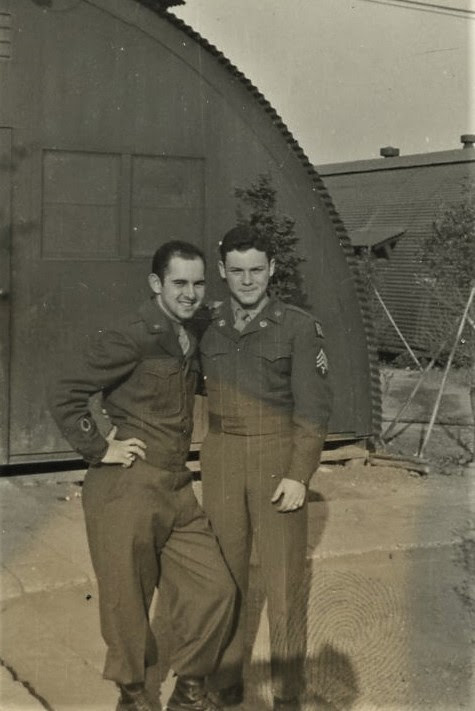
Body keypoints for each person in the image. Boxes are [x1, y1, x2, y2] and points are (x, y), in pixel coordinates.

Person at [48, 241, 235, 711]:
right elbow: (65, 390)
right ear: (156, 285)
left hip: (177, 485)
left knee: (215, 589)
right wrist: (100, 448)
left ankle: (189, 692)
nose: (190, 293)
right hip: (127, 486)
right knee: (126, 602)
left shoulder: (190, 330)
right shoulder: (131, 334)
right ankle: (133, 696)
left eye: (197, 283)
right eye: (179, 283)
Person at [198, 226, 333, 710]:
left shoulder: (298, 326)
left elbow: (314, 409)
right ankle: (225, 686)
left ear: (272, 269)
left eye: (257, 270)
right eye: (237, 271)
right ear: (222, 272)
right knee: (223, 580)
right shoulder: (206, 324)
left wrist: (300, 474)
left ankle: (288, 695)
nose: (247, 280)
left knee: (283, 584)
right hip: (222, 459)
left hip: (278, 461)